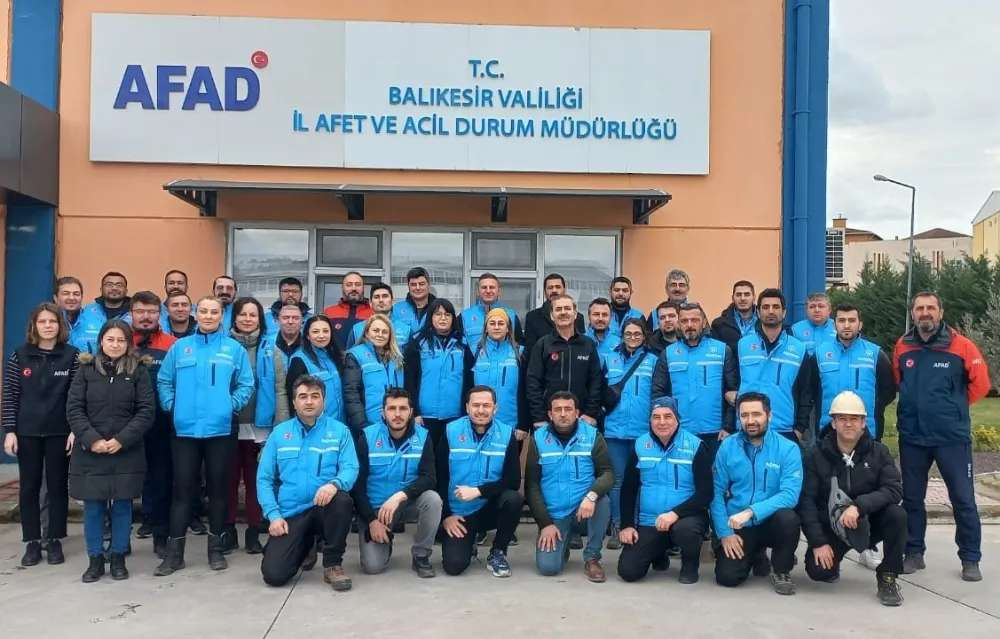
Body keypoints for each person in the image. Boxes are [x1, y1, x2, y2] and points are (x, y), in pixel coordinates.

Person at [154, 296, 255, 576]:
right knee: (182, 491)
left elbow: (246, 384)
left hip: (221, 430)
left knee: (218, 491)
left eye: (215, 312)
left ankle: (216, 550)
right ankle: (175, 554)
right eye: (204, 311)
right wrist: (172, 406)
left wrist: (229, 406)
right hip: (184, 430)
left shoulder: (233, 349)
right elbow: (164, 381)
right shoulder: (180, 348)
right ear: (196, 314)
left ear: (222, 316)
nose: (209, 316)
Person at [894, 291, 991, 582]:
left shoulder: (962, 346)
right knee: (912, 498)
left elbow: (980, 385)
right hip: (913, 437)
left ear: (941, 312)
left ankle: (970, 558)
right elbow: (900, 381)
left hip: (951, 438)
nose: (925, 313)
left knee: (963, 499)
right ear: (912, 313)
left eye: (931, 308)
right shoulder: (903, 345)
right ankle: (914, 552)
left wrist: (952, 408)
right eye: (919, 308)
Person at [67, 320, 155, 582]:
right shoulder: (85, 371)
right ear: (101, 341)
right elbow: (74, 408)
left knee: (122, 506)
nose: (115, 345)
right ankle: (95, 559)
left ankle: (118, 557)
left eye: (121, 340)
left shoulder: (138, 371)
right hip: (90, 451)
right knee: (93, 507)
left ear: (128, 343)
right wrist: (92, 439)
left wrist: (122, 439)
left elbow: (146, 411)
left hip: (126, 451)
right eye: (110, 339)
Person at [799, 391, 905, 606]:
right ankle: (833, 562)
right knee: (819, 571)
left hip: (869, 523)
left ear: (864, 423)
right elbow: (806, 502)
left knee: (897, 514)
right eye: (842, 418)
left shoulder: (879, 452)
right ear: (833, 423)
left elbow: (894, 489)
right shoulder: (814, 455)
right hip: (833, 527)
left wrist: (859, 506)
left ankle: (888, 575)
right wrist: (818, 543)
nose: (848, 424)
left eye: (854, 419)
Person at [815, 302, 897, 571]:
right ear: (834, 324)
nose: (847, 325)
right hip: (830, 433)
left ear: (860, 324)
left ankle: (868, 546)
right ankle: (831, 541)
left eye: (852, 320)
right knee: (828, 490)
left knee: (866, 489)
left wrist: (870, 415)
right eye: (841, 320)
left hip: (865, 432)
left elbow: (888, 390)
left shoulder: (875, 354)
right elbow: (811, 390)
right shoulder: (820, 354)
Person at [257, 374, 358, 591]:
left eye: (315, 396)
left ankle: (332, 564)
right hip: (291, 512)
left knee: (341, 501)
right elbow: (263, 479)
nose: (309, 401)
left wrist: (334, 484)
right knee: (274, 575)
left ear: (324, 401)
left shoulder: (339, 431)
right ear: (294, 402)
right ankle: (305, 544)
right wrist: (273, 516)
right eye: (303, 397)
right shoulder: (279, 434)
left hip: (323, 508)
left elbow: (351, 468)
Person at [2, 302, 79, 567]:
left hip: (60, 433)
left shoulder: (72, 356)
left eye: (52, 321)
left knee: (57, 486)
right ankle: (32, 541)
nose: (48, 326)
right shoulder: (19, 356)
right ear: (34, 326)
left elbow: (76, 398)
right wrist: (10, 431)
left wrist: (74, 430)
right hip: (27, 433)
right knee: (29, 487)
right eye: (42, 321)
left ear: (60, 325)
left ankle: (54, 539)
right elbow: (10, 396)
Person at [713, 392, 803, 595]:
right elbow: (716, 492)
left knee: (788, 518)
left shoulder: (788, 448)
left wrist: (751, 512)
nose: (750, 421)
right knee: (727, 577)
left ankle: (781, 570)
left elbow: (790, 495)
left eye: (757, 414)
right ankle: (756, 553)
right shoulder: (727, 447)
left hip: (771, 521)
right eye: (744, 415)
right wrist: (725, 534)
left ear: (769, 415)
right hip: (740, 524)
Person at [617, 396, 713, 584]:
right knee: (628, 571)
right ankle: (658, 552)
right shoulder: (640, 445)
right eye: (656, 417)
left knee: (685, 531)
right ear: (650, 420)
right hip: (650, 520)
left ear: (677, 419)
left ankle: (690, 564)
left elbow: (706, 492)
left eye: (668, 416)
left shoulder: (695, 446)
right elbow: (629, 488)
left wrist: (675, 513)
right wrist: (627, 525)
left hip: (686, 518)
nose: (662, 422)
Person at [222, 297, 291, 555]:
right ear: (234, 318)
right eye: (243, 314)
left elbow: (280, 390)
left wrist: (279, 427)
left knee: (256, 482)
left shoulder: (271, 349)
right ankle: (227, 531)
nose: (247, 319)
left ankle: (253, 532)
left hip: (260, 428)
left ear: (260, 320)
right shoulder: (224, 347)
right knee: (227, 482)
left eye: (253, 315)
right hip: (227, 426)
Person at [352, 388, 441, 578]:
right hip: (376, 510)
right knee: (372, 567)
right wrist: (371, 520)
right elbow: (357, 486)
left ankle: (421, 555)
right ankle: (385, 540)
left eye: (403, 408)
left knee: (433, 500)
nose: (398, 414)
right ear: (383, 413)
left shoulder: (423, 437)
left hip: (407, 503)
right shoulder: (367, 437)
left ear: (411, 412)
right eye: (392, 408)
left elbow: (429, 477)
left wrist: (400, 496)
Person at [525, 392, 614, 582]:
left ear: (577, 412)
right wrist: (545, 523)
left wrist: (591, 496)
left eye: (568, 409)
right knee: (548, 568)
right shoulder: (538, 439)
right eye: (558, 409)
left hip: (584, 509)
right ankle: (562, 544)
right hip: (555, 513)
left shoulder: (592, 436)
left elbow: (607, 473)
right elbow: (532, 485)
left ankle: (592, 558)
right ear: (550, 414)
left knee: (602, 501)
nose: (563, 414)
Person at [437, 386, 522, 577]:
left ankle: (498, 552)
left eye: (486, 405)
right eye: (476, 405)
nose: (481, 410)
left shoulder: (506, 434)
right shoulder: (451, 431)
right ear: (467, 407)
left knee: (513, 499)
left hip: (489, 508)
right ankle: (469, 545)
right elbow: (440, 476)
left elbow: (513, 480)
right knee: (454, 567)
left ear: (495, 408)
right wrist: (447, 516)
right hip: (458, 513)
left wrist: (479, 491)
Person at [652, 301, 738, 462]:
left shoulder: (722, 351)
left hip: (716, 434)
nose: (689, 325)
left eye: (695, 320)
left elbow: (733, 393)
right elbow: (658, 394)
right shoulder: (668, 354)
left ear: (704, 322)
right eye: (684, 321)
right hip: (680, 433)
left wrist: (728, 427)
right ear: (679, 323)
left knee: (715, 476)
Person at [129, 292, 178, 558]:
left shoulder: (172, 344)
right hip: (125, 427)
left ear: (160, 315)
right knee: (123, 484)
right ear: (131, 314)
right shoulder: (119, 341)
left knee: (161, 481)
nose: (146, 317)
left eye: (151, 311)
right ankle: (120, 540)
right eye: (140, 311)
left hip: (161, 426)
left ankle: (161, 535)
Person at [601, 318, 658, 548]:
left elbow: (658, 393)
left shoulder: (653, 361)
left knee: (642, 481)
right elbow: (600, 390)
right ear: (622, 335)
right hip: (614, 431)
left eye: (637, 334)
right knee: (617, 481)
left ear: (644, 336)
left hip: (643, 431)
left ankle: (638, 524)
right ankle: (618, 525)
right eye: (628, 334)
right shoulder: (610, 359)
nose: (632, 338)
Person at [736, 288, 814, 444]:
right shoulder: (743, 345)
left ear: (784, 312)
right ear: (758, 312)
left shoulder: (799, 349)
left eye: (776, 307)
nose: (770, 311)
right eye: (765, 307)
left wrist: (799, 429)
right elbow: (732, 385)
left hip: (784, 429)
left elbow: (806, 392)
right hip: (747, 427)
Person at [525, 294, 603, 432]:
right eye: (558, 309)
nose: (562, 312)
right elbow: (533, 383)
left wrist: (591, 413)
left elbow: (595, 381)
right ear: (552, 315)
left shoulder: (588, 345)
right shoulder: (543, 345)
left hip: (582, 418)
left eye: (567, 308)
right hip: (549, 420)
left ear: (575, 313)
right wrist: (539, 416)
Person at [404, 299, 475, 449]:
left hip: (455, 415)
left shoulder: (462, 343)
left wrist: (466, 411)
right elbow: (409, 380)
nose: (443, 318)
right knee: (428, 457)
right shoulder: (418, 342)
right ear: (430, 317)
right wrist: (415, 412)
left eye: (447, 314)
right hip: (425, 416)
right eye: (438, 314)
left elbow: (470, 381)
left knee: (450, 457)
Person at [344, 314, 405, 434]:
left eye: (385, 332)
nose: (380, 335)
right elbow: (351, 394)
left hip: (395, 421)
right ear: (367, 333)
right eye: (376, 330)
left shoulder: (397, 357)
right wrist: (362, 425)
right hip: (368, 424)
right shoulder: (356, 355)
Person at [471, 308, 527, 440]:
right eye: (492, 323)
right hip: (479, 422)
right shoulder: (474, 352)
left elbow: (525, 390)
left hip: (511, 425)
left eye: (501, 323)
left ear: (508, 328)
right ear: (486, 328)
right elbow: (467, 388)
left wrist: (523, 424)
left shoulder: (521, 353)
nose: (496, 327)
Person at [286, 315, 345, 423]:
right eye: (315, 332)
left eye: (325, 331)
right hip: (314, 424)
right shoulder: (299, 359)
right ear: (307, 335)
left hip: (339, 424)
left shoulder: (334, 356)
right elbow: (292, 397)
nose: (321, 335)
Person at [522, 273, 585, 352]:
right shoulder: (533, 317)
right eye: (550, 288)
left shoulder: (578, 317)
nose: (554, 290)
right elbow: (530, 350)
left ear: (564, 290)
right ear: (544, 292)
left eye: (558, 287)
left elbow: (581, 346)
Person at [460, 273, 525, 349]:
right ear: (478, 291)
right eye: (484, 287)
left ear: (499, 291)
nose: (488, 291)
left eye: (492, 287)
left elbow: (519, 346)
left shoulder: (511, 316)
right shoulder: (464, 317)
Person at [76, 271, 132, 354]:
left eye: (119, 285)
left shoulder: (134, 313)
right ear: (101, 289)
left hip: (125, 361)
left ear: (126, 290)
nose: (114, 288)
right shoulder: (87, 311)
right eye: (109, 284)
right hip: (90, 360)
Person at [347, 283, 411, 348]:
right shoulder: (357, 329)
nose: (381, 300)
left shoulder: (406, 329)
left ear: (392, 301)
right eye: (376, 297)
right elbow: (350, 354)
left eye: (385, 296)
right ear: (370, 303)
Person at [323, 272, 373, 347]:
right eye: (349, 285)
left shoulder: (373, 313)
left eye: (358, 284)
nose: (353, 288)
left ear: (363, 287)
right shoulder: (328, 312)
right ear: (342, 288)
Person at [711, 280, 757, 354]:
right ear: (732, 298)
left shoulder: (763, 322)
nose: (743, 298)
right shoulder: (719, 325)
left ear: (754, 298)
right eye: (738, 295)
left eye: (747, 294)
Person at [391, 267, 435, 339]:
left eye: (421, 284)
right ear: (408, 286)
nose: (417, 288)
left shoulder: (438, 308)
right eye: (413, 285)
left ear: (429, 285)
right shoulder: (397, 310)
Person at [791, 292, 837, 357]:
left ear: (829, 310)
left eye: (821, 306)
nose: (817, 310)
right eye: (812, 307)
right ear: (806, 310)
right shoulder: (795, 329)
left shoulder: (838, 328)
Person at [54, 276, 88, 352]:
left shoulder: (94, 322)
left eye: (76, 294)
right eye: (66, 294)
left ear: (82, 297)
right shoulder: (48, 323)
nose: (72, 298)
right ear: (55, 298)